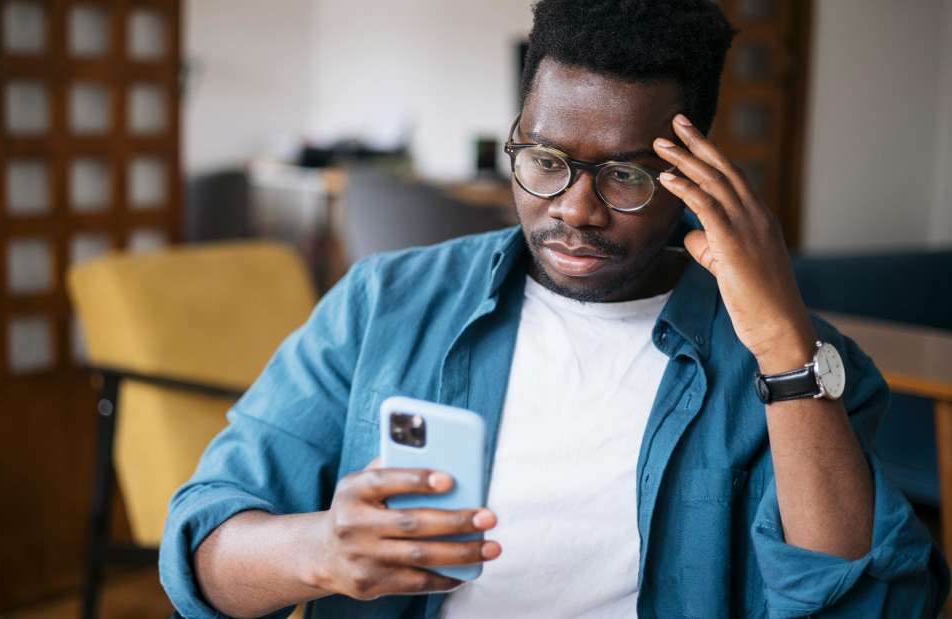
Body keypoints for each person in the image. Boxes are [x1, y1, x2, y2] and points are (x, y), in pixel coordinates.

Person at [160, 1, 949, 617]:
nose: (575, 209)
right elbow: (202, 551)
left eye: (625, 177)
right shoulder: (385, 306)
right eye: (545, 160)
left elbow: (877, 603)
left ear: (693, 176)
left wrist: (784, 348)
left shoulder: (797, 370)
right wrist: (320, 549)